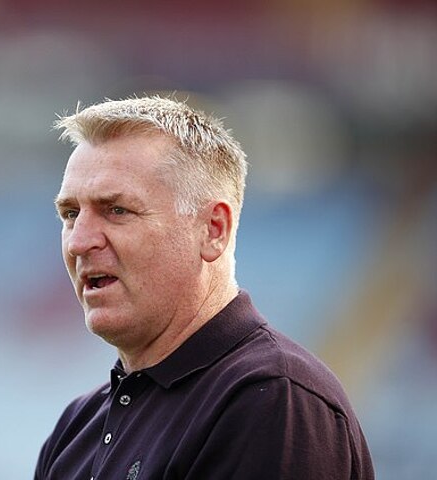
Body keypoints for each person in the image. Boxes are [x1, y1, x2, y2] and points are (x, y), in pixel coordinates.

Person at [34, 96, 374, 479]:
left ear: (213, 230)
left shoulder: (272, 399)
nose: (79, 242)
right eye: (70, 214)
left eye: (117, 210)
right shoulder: (77, 427)